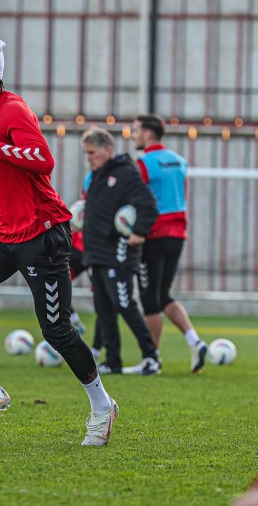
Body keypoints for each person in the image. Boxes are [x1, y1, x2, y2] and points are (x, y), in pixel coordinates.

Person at [0, 36, 118, 446]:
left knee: (57, 332)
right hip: (4, 234)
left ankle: (102, 407)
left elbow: (41, 160)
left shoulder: (12, 110)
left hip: (42, 235)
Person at [80, 127, 161, 376]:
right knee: (104, 308)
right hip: (96, 252)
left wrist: (139, 232)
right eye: (86, 153)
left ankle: (151, 357)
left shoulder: (125, 173)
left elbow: (148, 204)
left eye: (92, 152)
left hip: (119, 252)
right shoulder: (97, 176)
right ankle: (112, 360)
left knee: (125, 304)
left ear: (107, 150)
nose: (89, 158)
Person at [133, 113, 208, 373]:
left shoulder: (143, 163)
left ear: (149, 134)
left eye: (137, 131)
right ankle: (194, 341)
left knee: (149, 298)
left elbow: (136, 199)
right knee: (163, 294)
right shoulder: (180, 162)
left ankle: (151, 359)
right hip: (178, 235)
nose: (134, 135)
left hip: (153, 235)